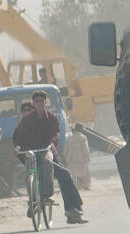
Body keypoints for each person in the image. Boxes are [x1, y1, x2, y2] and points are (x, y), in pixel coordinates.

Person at [13, 90, 88, 224]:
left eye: (42, 101)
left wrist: (53, 144)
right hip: (31, 155)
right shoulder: (27, 120)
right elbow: (19, 136)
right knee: (28, 175)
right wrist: (17, 147)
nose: (40, 103)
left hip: (47, 151)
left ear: (45, 103)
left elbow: (56, 133)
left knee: (64, 174)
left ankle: (72, 210)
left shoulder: (52, 118)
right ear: (34, 103)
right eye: (37, 101)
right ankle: (34, 202)